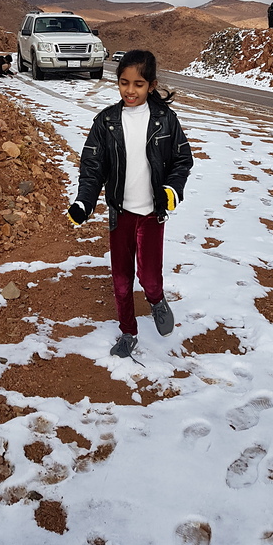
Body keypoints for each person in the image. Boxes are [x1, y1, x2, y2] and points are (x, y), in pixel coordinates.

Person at [67, 50, 194, 359]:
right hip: (120, 214)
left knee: (149, 278)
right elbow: (92, 167)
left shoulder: (165, 119)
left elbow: (182, 160)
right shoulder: (107, 121)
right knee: (121, 279)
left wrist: (171, 191)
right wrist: (84, 201)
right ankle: (128, 331)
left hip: (152, 214)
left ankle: (156, 299)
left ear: (151, 85)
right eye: (124, 83)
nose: (130, 91)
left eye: (138, 84)